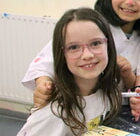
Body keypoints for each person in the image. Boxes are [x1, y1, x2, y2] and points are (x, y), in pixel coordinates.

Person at [17, 8, 121, 136]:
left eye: (95, 43)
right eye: (74, 47)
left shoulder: (108, 91)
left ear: (108, 45)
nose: (87, 55)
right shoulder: (54, 113)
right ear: (61, 54)